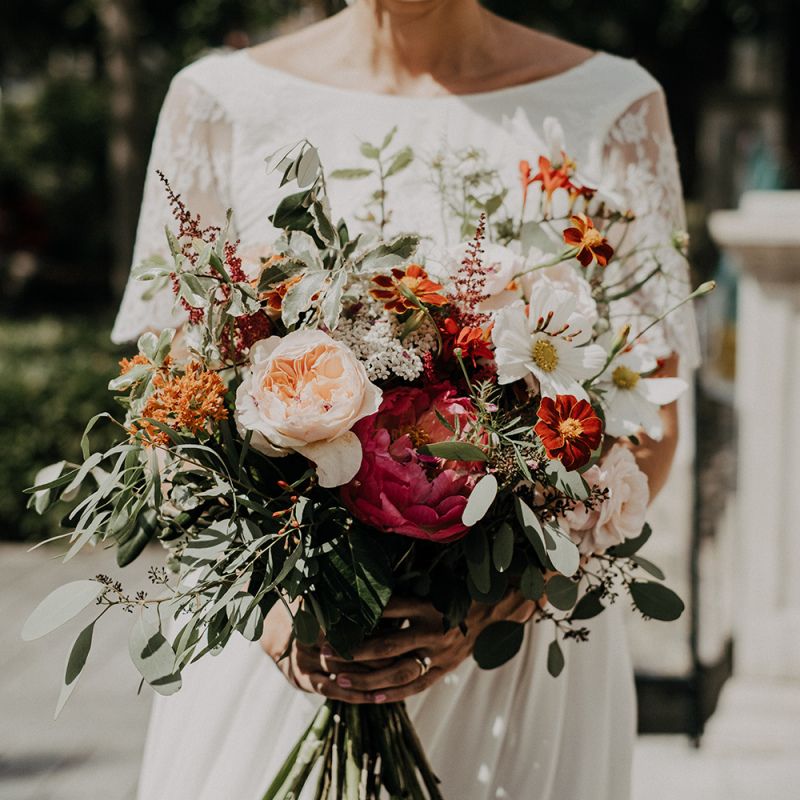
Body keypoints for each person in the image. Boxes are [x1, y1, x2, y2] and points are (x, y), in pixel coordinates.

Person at [112, 2, 700, 797]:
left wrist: (501, 604)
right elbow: (167, 405)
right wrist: (273, 605)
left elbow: (649, 425)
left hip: (514, 663)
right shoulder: (219, 101)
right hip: (287, 649)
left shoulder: (613, 107)